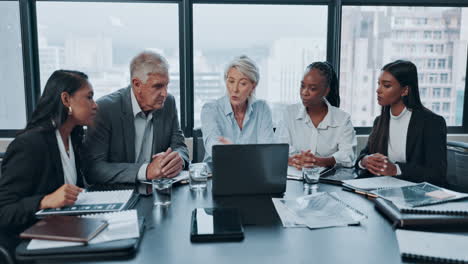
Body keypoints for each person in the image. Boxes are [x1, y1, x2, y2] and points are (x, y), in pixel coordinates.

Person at [0, 70, 96, 241]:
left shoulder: (74, 138)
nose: (95, 105)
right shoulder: (29, 145)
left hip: (67, 231)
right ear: (66, 99)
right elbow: (4, 212)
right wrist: (44, 201)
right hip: (33, 241)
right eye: (89, 97)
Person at [85, 51, 189, 184]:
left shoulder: (168, 103)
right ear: (137, 84)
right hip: (119, 192)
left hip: (159, 190)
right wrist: (145, 171)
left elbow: (179, 145)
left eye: (166, 85)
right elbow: (94, 169)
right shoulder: (105, 109)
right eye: (157, 86)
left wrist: (178, 159)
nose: (164, 93)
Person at [356, 60, 447, 186]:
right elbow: (364, 155)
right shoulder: (380, 121)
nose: (378, 90)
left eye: (386, 86)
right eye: (379, 84)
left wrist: (395, 170)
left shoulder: (432, 123)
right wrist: (365, 161)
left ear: (404, 90)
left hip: (414, 194)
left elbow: (437, 174)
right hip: (381, 189)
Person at [276, 62, 356, 169]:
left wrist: (319, 161)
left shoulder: (343, 119)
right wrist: (297, 159)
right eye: (302, 86)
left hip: (327, 181)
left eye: (312, 88)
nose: (304, 92)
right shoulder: (288, 113)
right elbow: (279, 149)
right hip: (295, 179)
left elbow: (348, 155)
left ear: (326, 91)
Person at [201, 55, 275, 167]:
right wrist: (243, 154)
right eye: (231, 81)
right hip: (219, 172)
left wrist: (234, 151)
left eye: (243, 83)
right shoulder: (210, 109)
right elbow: (213, 146)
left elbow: (266, 151)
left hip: (253, 173)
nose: (234, 89)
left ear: (253, 87)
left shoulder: (262, 109)